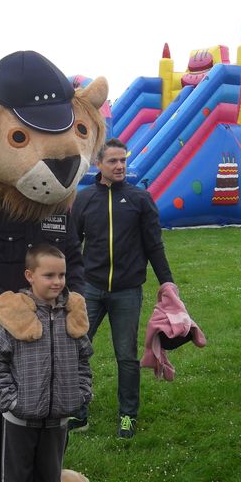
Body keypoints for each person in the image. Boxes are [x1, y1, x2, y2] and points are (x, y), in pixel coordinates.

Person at [0, 244, 93, 482]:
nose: (57, 282)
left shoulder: (73, 313)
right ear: (30, 276)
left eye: (62, 275)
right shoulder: (15, 315)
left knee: (49, 478)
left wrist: (81, 392)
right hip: (20, 418)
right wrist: (10, 400)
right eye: (49, 275)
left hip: (58, 419)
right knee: (16, 480)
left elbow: (85, 359)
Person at [70, 137, 175, 439]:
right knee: (77, 350)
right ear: (99, 164)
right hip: (90, 289)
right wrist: (68, 282)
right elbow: (73, 244)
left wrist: (167, 282)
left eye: (123, 161)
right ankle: (78, 412)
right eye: (113, 161)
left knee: (126, 356)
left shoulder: (140, 199)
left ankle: (128, 415)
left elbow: (154, 246)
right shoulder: (85, 198)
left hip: (127, 292)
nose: (120, 166)